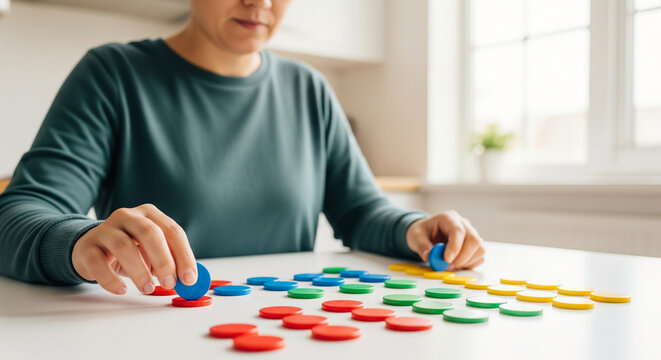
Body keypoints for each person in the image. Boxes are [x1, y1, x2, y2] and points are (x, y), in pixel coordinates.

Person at [0, 0, 484, 296]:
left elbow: (360, 211)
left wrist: (414, 227)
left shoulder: (309, 89)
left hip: (285, 330)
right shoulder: (113, 74)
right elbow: (17, 214)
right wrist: (78, 240)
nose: (260, 1)